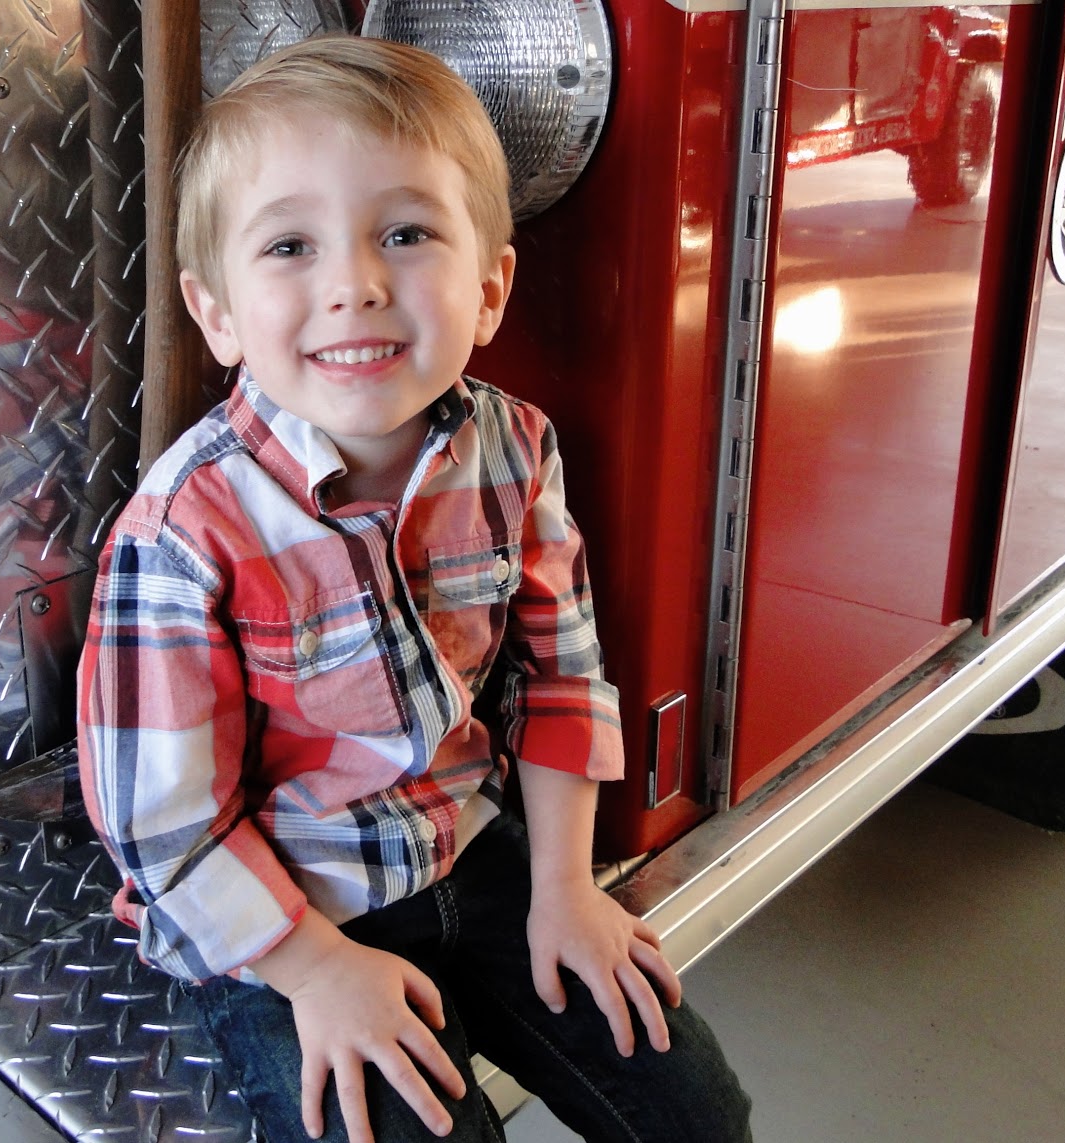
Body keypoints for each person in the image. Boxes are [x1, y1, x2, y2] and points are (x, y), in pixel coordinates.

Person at [76, 34, 752, 1143]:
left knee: (697, 1115)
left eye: (405, 233)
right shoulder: (183, 532)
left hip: (466, 847)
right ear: (218, 314)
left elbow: (560, 671)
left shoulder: (516, 447)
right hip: (282, 915)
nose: (356, 284)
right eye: (289, 245)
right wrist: (316, 970)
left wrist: (565, 887)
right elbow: (162, 826)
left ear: (488, 290)